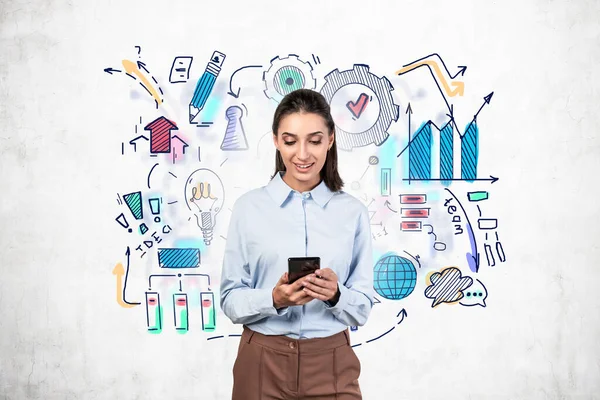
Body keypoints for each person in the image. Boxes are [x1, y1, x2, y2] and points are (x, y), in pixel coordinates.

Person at [219, 88, 375, 400]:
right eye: (290, 141)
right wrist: (274, 299)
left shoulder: (353, 213)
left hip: (331, 362)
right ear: (276, 140)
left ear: (330, 140)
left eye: (314, 140)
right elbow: (230, 300)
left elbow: (361, 310)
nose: (302, 154)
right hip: (262, 362)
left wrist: (336, 295)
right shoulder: (248, 208)